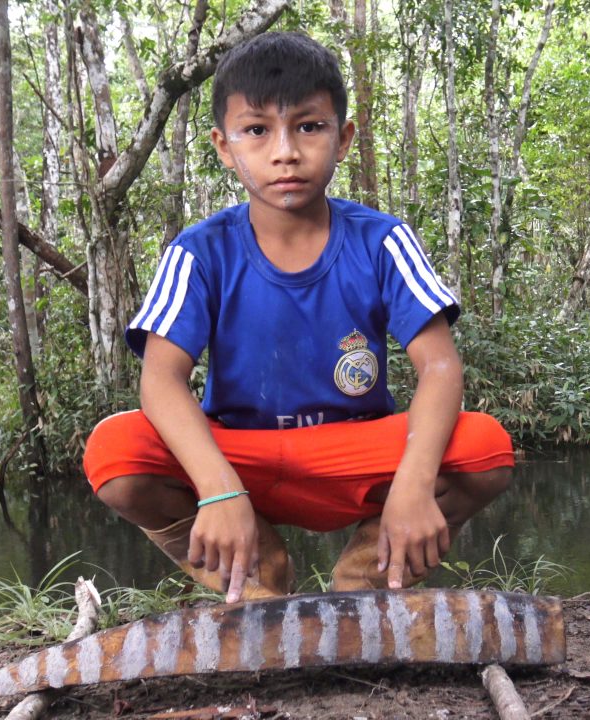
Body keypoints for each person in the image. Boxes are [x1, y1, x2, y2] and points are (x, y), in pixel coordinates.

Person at [83, 32, 514, 604]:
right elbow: (160, 381)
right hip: (240, 459)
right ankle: (259, 579)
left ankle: (363, 586)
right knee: (116, 451)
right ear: (224, 145)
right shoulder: (200, 252)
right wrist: (216, 491)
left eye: (309, 126)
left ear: (343, 138)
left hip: (356, 456)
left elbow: (438, 368)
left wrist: (412, 486)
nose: (284, 151)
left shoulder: (383, 241)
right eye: (257, 130)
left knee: (483, 447)